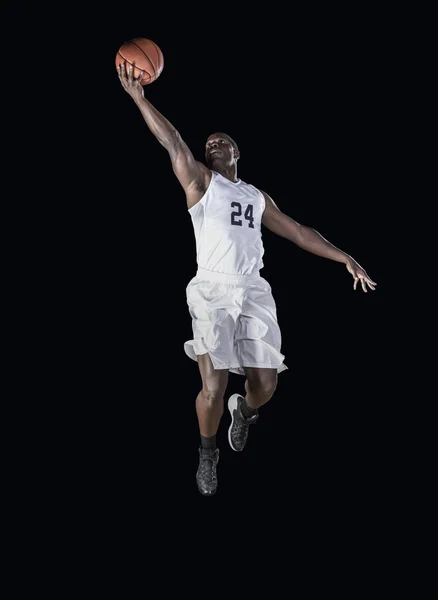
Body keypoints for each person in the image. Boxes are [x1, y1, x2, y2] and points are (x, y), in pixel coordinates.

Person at [117, 63, 377, 496]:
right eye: (209, 142)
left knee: (266, 385)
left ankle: (247, 413)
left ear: (237, 153)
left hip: (253, 289)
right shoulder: (201, 183)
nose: (213, 143)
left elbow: (296, 231)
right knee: (213, 386)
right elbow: (173, 143)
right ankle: (207, 454)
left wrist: (343, 257)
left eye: (222, 141)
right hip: (213, 290)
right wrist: (141, 100)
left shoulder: (257, 197)